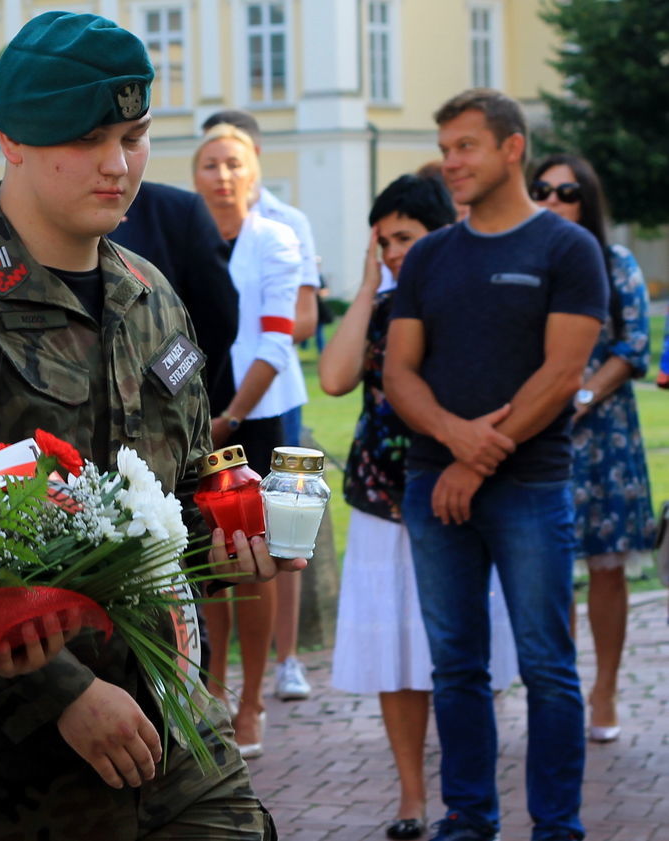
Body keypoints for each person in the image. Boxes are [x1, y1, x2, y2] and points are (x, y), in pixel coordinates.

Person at [0, 12, 300, 840]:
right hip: (2, 758)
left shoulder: (150, 294)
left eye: (133, 136)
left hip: (168, 711)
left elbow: (183, 488)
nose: (118, 164)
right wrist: (60, 691)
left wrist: (233, 533)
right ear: (12, 139)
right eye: (90, 137)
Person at [384, 88, 608, 841]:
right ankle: (468, 818)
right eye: (445, 147)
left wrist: (476, 463)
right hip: (431, 483)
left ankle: (557, 827)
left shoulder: (566, 249)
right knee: (456, 666)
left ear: (512, 148)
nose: (450, 162)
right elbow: (399, 373)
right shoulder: (431, 256)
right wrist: (454, 439)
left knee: (548, 665)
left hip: (531, 488)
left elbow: (561, 372)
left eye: (466, 146)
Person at [321, 174, 517, 840]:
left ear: (442, 232)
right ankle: (411, 798)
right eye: (384, 240)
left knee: (466, 654)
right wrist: (369, 282)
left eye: (405, 237)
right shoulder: (380, 308)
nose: (395, 250)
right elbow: (334, 376)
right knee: (394, 655)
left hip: (460, 497)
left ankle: (470, 797)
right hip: (382, 499)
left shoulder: (471, 300)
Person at [529, 152, 656, 743]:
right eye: (543, 190)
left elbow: (634, 345)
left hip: (605, 437)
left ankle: (604, 688)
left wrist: (580, 396)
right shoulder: (528, 259)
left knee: (607, 569)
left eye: (567, 191)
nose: (553, 200)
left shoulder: (615, 260)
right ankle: (564, 692)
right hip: (540, 434)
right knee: (552, 571)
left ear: (588, 200)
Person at [191, 123, 303, 758]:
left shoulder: (275, 239)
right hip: (197, 412)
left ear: (254, 171)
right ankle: (214, 684)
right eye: (210, 165)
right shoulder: (188, 236)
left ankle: (254, 697)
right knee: (209, 558)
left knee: (256, 558)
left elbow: (276, 339)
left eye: (233, 163)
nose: (222, 176)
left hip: (257, 414)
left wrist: (231, 415)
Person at [108, 181, 239, 411]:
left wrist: (176, 401)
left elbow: (217, 320)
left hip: (158, 415)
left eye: (131, 142)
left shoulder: (177, 210)